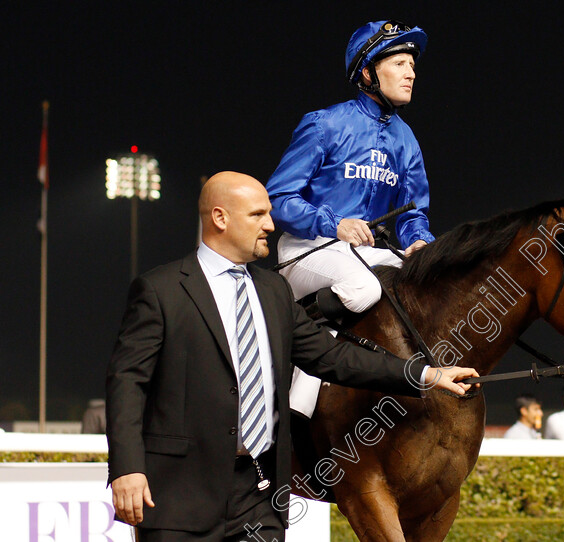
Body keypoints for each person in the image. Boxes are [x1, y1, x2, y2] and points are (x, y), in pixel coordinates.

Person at [105, 172, 477, 541]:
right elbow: (127, 384)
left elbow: (332, 357)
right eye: (257, 215)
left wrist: (426, 375)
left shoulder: (274, 291)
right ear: (220, 218)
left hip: (260, 497)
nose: (270, 224)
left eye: (268, 213)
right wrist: (127, 469)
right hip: (177, 497)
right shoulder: (160, 290)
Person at [266, 20, 436, 418]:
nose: (411, 72)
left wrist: (419, 241)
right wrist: (333, 223)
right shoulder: (324, 123)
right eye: (399, 62)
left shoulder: (407, 141)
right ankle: (295, 391)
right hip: (307, 248)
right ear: (367, 72)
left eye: (412, 64)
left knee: (424, 286)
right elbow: (277, 199)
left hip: (366, 254)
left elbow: (414, 213)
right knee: (361, 287)